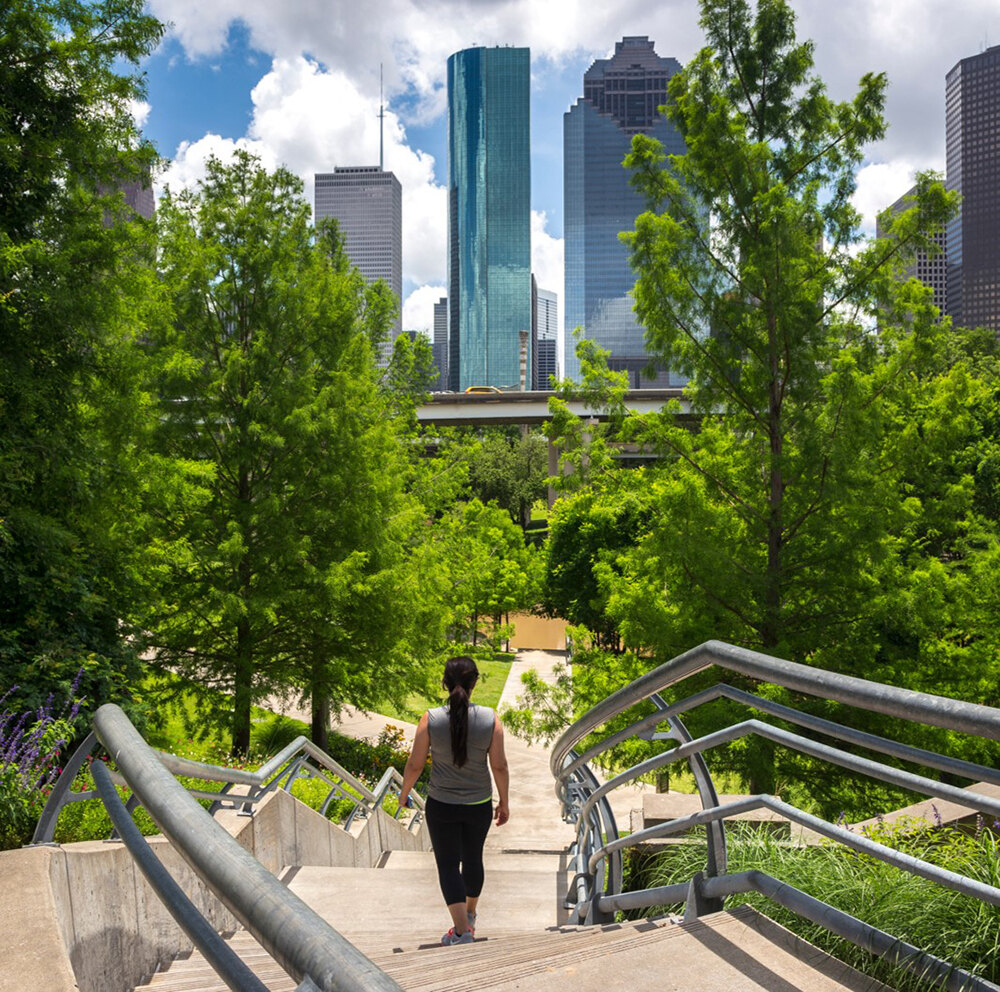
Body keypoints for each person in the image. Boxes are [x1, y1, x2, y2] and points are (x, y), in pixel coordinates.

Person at [398, 655, 510, 946]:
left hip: (442, 804)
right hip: (478, 805)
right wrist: (504, 802)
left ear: (445, 683)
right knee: (473, 858)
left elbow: (415, 764)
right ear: (475, 682)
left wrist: (404, 792)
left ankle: (461, 932)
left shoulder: (431, 719)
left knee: (448, 864)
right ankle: (469, 914)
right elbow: (499, 765)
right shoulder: (490, 719)